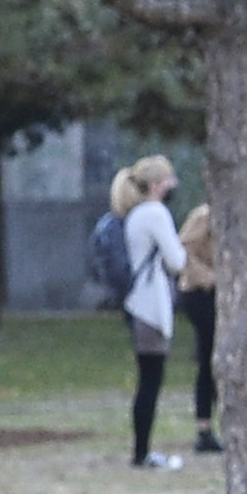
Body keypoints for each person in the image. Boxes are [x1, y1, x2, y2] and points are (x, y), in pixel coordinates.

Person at [110, 160, 185, 473]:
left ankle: (142, 450)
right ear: (156, 185)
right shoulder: (155, 213)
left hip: (139, 304)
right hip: (151, 307)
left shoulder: (136, 214)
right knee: (151, 381)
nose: (174, 184)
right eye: (169, 178)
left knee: (148, 378)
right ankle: (142, 452)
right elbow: (177, 260)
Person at [176, 200, 223, 454]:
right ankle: (204, 428)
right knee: (209, 357)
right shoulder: (205, 215)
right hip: (200, 293)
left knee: (220, 358)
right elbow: (183, 249)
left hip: (224, 294)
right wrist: (210, 279)